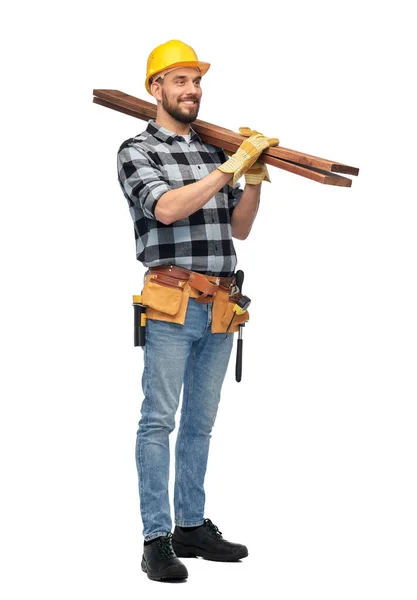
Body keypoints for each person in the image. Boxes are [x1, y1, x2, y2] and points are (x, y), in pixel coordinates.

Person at [117, 39, 278, 582]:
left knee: (200, 425)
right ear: (155, 88)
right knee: (158, 421)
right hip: (170, 301)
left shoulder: (214, 152)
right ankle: (156, 538)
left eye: (197, 81)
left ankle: (190, 524)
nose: (192, 90)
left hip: (221, 306)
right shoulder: (137, 151)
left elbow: (239, 228)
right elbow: (165, 208)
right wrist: (231, 166)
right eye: (180, 81)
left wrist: (251, 179)